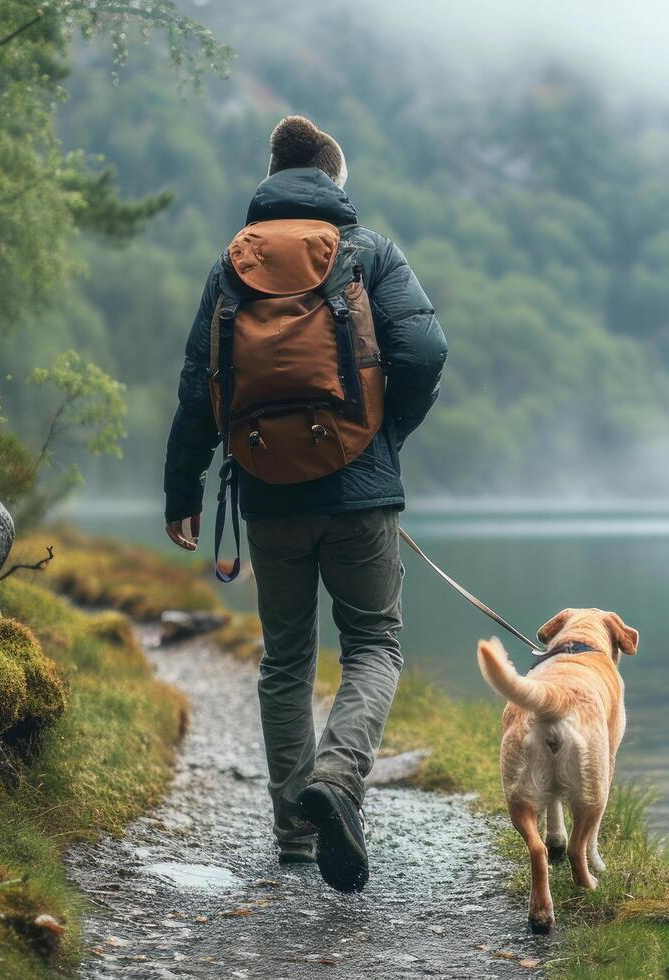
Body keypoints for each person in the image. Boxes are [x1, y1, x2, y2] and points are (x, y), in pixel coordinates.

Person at [161, 115, 447, 892]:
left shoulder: (229, 266)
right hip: (359, 487)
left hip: (266, 489)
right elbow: (426, 351)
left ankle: (294, 828)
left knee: (285, 660)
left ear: (271, 177)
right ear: (334, 180)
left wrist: (181, 488)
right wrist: (384, 436)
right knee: (374, 646)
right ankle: (340, 779)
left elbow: (198, 387)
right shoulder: (368, 251)